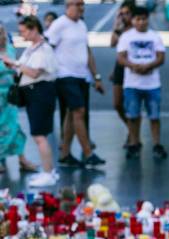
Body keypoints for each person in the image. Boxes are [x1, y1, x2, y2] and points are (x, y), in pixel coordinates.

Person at [46, 0, 106, 168]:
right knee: (79, 111)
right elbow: (46, 48)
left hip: (82, 76)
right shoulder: (59, 25)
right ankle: (88, 153)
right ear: (68, 6)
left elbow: (87, 51)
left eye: (82, 4)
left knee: (72, 114)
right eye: (77, 4)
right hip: (65, 75)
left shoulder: (81, 25)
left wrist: (97, 77)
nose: (81, 7)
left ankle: (65, 154)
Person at [2, 17, 58, 187]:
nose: (21, 34)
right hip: (34, 93)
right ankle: (49, 170)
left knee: (39, 136)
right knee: (40, 135)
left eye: (24, 31)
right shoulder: (33, 48)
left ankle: (48, 172)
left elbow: (34, 72)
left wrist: (14, 63)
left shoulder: (43, 50)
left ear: (34, 29)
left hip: (39, 92)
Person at [117, 6, 167, 160]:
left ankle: (157, 144)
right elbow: (121, 57)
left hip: (152, 83)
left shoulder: (154, 37)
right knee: (133, 115)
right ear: (133, 20)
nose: (141, 22)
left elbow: (161, 57)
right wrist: (133, 66)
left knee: (154, 115)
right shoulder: (126, 37)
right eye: (137, 19)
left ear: (147, 19)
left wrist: (149, 66)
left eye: (143, 19)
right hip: (132, 83)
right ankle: (134, 142)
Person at [0, 24, 27, 175]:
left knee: (14, 127)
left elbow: (17, 67)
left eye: (2, 32)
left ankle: (22, 158)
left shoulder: (10, 49)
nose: (1, 36)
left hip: (10, 96)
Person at [110, 1, 135, 149]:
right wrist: (116, 25)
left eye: (127, 13)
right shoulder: (121, 28)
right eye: (122, 13)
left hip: (133, 68)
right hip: (120, 66)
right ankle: (131, 130)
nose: (125, 16)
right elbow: (112, 43)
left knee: (131, 104)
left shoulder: (137, 27)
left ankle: (133, 135)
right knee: (117, 103)